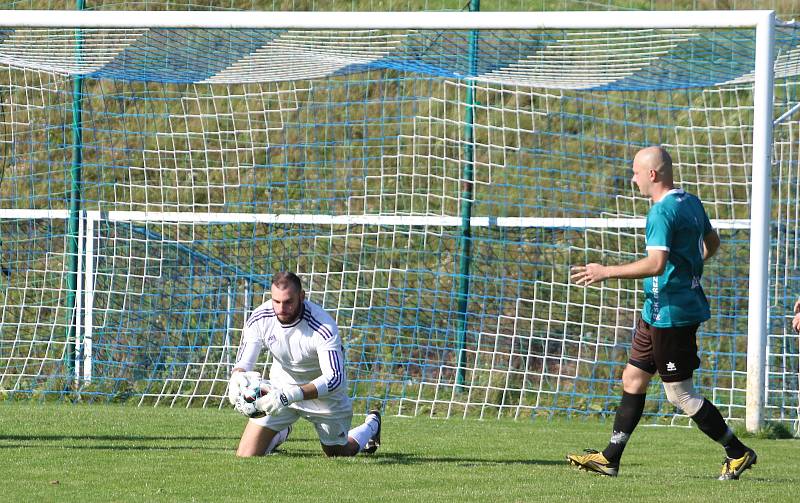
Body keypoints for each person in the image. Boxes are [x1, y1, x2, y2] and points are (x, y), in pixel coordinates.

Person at [566, 146, 756, 480]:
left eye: (636, 172)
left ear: (652, 174)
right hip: (655, 309)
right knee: (633, 378)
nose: (633, 179)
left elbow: (656, 264)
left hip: (673, 313)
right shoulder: (690, 201)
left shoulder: (661, 213)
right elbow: (712, 243)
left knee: (679, 393)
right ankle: (610, 458)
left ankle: (738, 452)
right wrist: (691, 267)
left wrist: (605, 271)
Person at [227, 271, 381, 457]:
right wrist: (237, 376)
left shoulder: (322, 326)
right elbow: (244, 361)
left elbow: (334, 379)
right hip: (279, 390)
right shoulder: (260, 318)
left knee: (338, 453)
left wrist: (289, 396)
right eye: (276, 301)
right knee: (246, 455)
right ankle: (281, 430)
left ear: (302, 296)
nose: (281, 308)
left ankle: (372, 425)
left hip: (324, 397)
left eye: (288, 301)